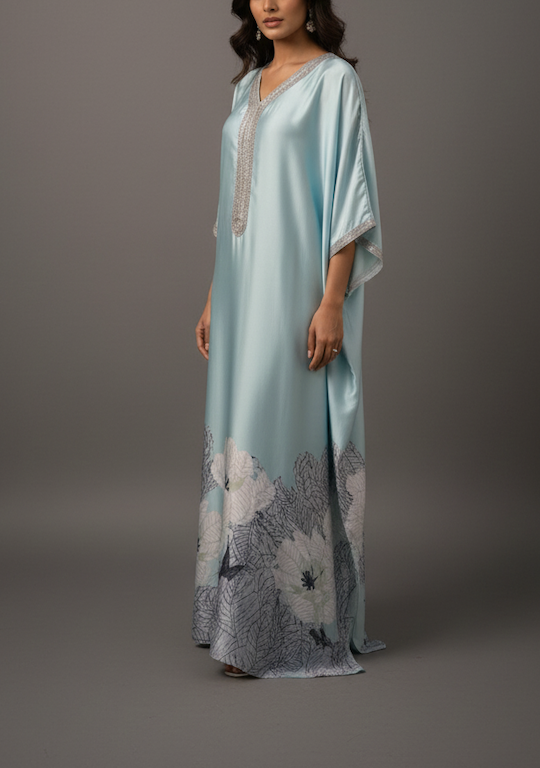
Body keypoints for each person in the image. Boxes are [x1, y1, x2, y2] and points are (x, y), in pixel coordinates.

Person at [192, 0, 385, 678]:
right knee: (239, 431)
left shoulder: (335, 81)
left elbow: (348, 197)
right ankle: (231, 616)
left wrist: (331, 300)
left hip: (294, 292)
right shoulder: (247, 85)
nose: (269, 4)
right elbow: (229, 207)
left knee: (278, 428)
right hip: (240, 295)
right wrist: (215, 295)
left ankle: (274, 631)